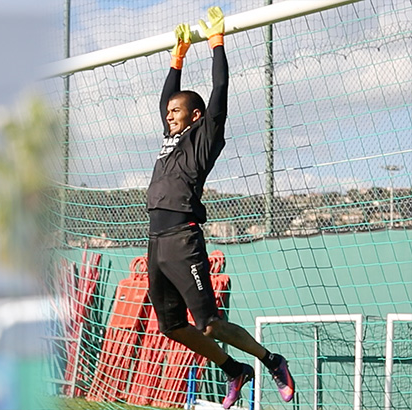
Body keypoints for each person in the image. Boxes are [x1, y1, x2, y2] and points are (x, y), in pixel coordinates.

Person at [145, 7, 295, 409]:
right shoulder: (170, 138)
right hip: (155, 241)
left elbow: (219, 92)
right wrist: (176, 59)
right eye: (168, 113)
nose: (169, 116)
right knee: (172, 326)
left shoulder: (203, 135)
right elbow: (166, 99)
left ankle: (269, 360)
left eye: (176, 112)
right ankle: (235, 370)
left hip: (182, 237)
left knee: (209, 323)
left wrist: (215, 44)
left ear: (195, 116)